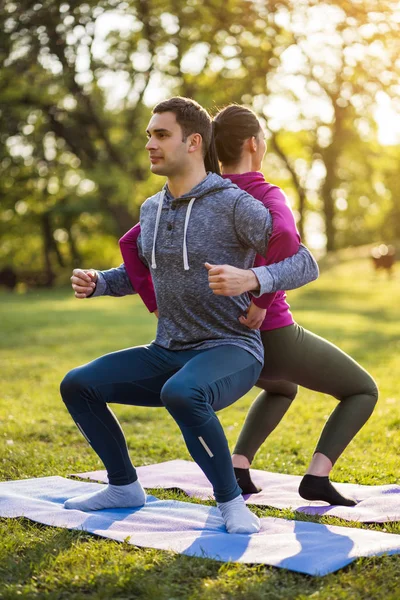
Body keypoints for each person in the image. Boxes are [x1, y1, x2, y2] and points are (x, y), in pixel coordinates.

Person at [62, 97, 318, 534]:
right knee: (78, 384)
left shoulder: (234, 203)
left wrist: (252, 279)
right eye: (149, 135)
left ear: (194, 142)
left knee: (182, 393)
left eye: (161, 135)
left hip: (230, 348)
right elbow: (145, 271)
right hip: (168, 348)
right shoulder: (152, 208)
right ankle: (123, 486)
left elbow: (304, 262)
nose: (150, 144)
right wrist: (100, 281)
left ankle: (231, 503)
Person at [120, 104, 378, 507]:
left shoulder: (201, 190)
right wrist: (261, 299)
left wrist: (155, 304)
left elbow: (129, 243)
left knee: (282, 388)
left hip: (214, 338)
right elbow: (288, 243)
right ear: (254, 145)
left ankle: (239, 466)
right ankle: (317, 476)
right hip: (267, 331)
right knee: (362, 390)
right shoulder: (261, 193)